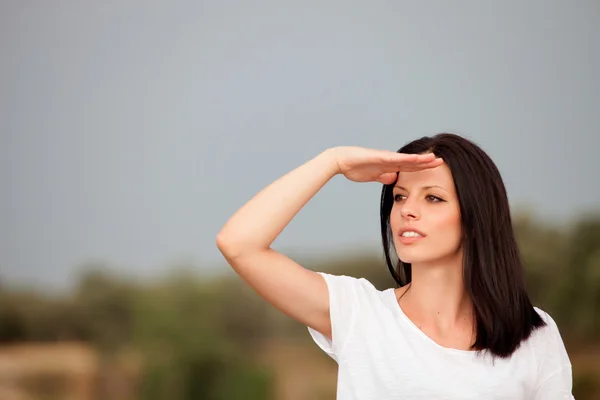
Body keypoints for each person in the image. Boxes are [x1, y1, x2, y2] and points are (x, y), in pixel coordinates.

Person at [216, 133, 574, 399]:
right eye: (400, 196)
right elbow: (239, 244)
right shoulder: (359, 313)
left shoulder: (534, 334)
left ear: (477, 216)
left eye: (433, 197)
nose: (407, 210)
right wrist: (333, 162)